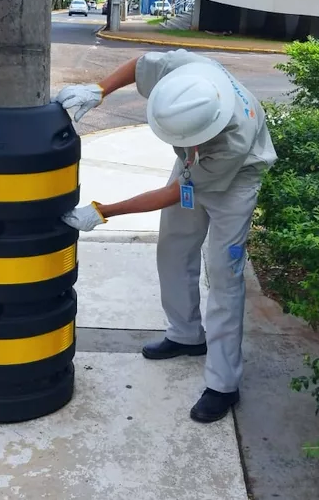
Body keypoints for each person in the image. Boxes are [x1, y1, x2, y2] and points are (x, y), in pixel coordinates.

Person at [55, 49, 277, 423]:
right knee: (173, 248)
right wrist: (99, 89)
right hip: (194, 162)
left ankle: (223, 384)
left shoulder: (233, 140)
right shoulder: (189, 69)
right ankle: (186, 335)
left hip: (236, 182)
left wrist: (104, 211)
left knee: (225, 276)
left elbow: (174, 193)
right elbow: (142, 66)